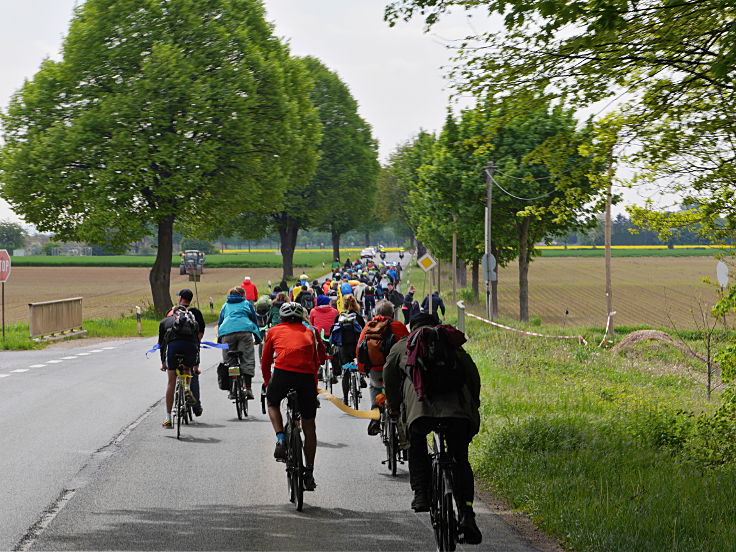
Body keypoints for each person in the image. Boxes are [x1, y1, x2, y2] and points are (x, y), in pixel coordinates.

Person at [383, 313, 483, 545]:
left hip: (420, 411)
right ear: (437, 325)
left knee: (417, 443)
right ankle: (467, 512)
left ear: (412, 327)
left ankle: (421, 494)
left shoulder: (403, 345)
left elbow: (389, 375)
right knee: (460, 459)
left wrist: (395, 407)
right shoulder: (450, 343)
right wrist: (473, 403)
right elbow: (472, 375)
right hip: (458, 411)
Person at [261, 302, 325, 491]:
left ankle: (280, 437)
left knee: (272, 403)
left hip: (282, 374)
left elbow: (265, 362)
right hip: (305, 378)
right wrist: (313, 390)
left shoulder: (273, 331)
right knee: (309, 424)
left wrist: (267, 383)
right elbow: (316, 363)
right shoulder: (311, 331)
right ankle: (309, 472)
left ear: (281, 317)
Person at [356, 300, 409, 435]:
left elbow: (360, 349)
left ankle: (375, 414)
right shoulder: (399, 327)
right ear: (392, 313)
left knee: (375, 387)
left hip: (375, 369)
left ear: (376, 312)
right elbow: (409, 348)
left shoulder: (369, 326)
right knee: (399, 389)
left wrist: (363, 369)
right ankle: (399, 413)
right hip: (396, 371)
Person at [161, 289, 205, 420]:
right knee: (191, 373)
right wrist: (197, 364)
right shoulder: (195, 313)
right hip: (190, 346)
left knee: (171, 381)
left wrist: (163, 362)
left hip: (173, 348)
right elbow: (199, 337)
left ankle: (168, 418)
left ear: (180, 299)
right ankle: (194, 403)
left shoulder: (169, 315)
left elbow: (163, 342)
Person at [217, 286, 262, 400]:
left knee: (229, 361)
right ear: (243, 294)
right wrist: (257, 338)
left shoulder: (225, 305)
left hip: (227, 333)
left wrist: (220, 339)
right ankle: (248, 388)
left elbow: (220, 322)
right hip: (244, 331)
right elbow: (254, 321)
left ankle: (232, 390)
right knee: (247, 359)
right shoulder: (247, 304)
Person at [331, 295, 365, 404]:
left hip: (343, 349)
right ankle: (362, 376)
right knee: (359, 363)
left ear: (344, 305)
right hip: (356, 348)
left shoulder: (339, 317)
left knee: (346, 371)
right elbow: (364, 333)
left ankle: (345, 398)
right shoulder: (358, 317)